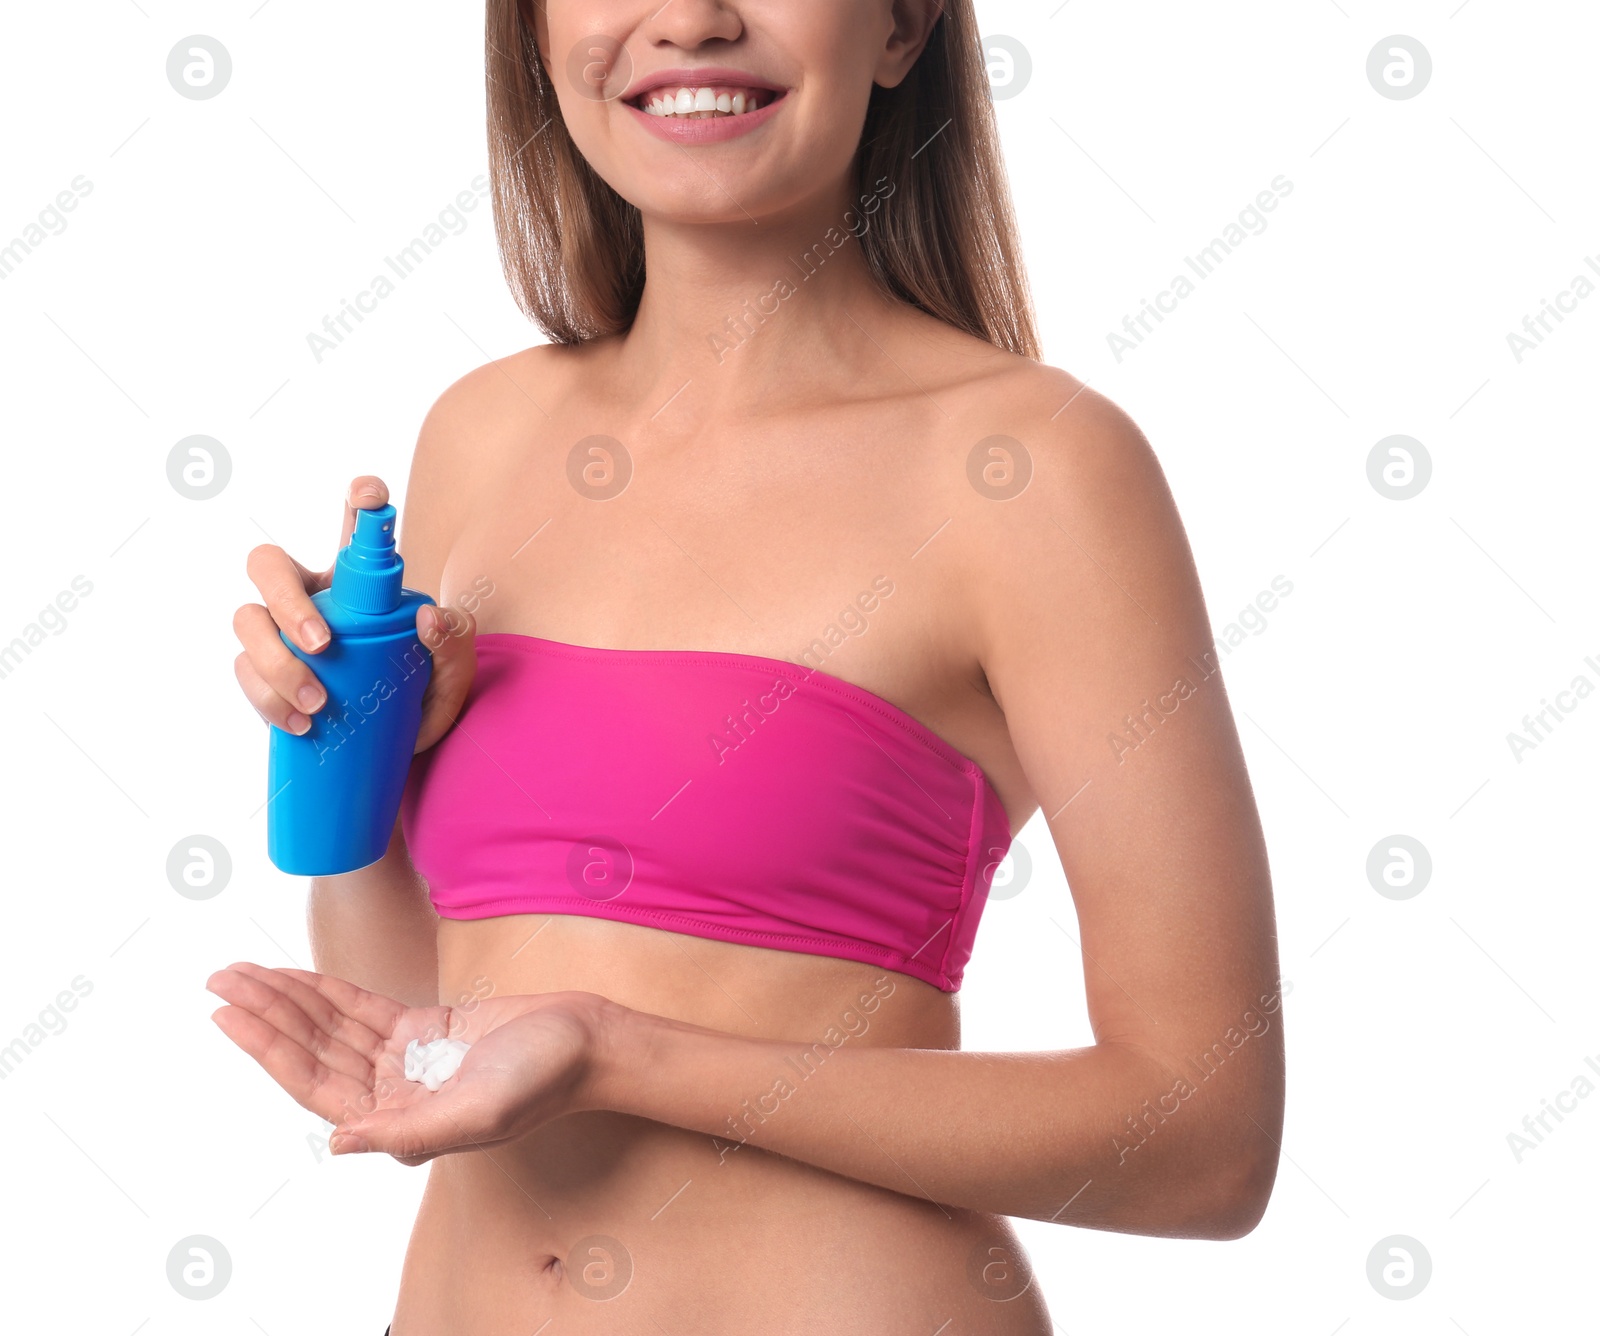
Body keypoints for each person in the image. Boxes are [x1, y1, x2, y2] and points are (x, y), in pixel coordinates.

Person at [209, 1, 1286, 1330]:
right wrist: (349, 730)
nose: (695, 19)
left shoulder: (1032, 471)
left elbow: (1205, 1140)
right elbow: (424, 1025)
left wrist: (626, 1056)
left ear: (900, 29)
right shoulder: (484, 432)